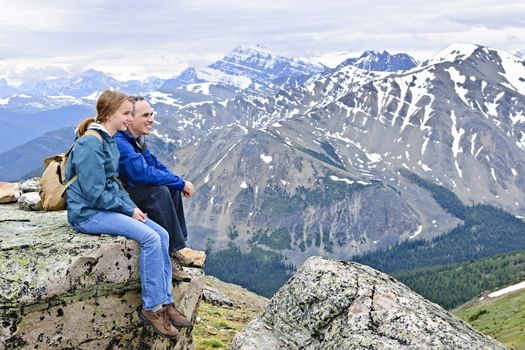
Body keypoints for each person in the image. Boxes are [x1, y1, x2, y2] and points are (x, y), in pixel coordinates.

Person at [65, 90, 191, 339]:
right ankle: (152, 308)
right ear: (110, 114)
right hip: (87, 214)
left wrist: (132, 209)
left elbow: (113, 185)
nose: (128, 118)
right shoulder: (91, 143)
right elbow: (93, 193)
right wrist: (127, 208)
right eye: (125, 113)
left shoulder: (108, 139)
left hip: (103, 208)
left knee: (162, 233)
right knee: (150, 238)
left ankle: (165, 301)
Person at [114, 96, 206, 283]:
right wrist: (180, 183)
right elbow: (141, 174)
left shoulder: (135, 140)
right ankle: (169, 256)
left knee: (170, 188)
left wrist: (179, 182)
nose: (151, 119)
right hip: (118, 198)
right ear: (130, 119)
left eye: (152, 114)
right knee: (159, 192)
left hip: (128, 193)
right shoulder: (120, 142)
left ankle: (177, 248)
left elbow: (155, 164)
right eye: (145, 115)